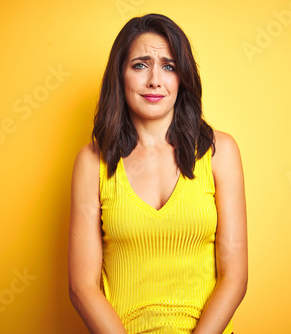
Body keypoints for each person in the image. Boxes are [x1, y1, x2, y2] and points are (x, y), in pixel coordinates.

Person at [68, 13, 247, 334]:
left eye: (169, 66)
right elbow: (82, 287)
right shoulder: (91, 162)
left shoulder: (221, 151)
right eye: (140, 65)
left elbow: (234, 277)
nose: (154, 80)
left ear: (183, 77)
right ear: (119, 75)